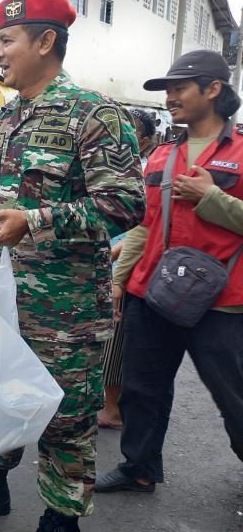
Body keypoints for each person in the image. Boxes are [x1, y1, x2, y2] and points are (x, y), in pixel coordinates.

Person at [0, 0, 145, 532]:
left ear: (46, 42)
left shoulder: (93, 115)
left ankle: (61, 516)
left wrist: (37, 220)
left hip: (66, 307)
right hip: (3, 294)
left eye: (6, 41)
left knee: (65, 416)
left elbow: (125, 203)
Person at [96, 50, 243, 494]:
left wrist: (210, 197)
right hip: (151, 292)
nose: (170, 99)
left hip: (222, 301)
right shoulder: (160, 155)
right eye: (168, 91)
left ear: (213, 89)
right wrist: (121, 279)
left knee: (233, 394)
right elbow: (143, 223)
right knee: (142, 389)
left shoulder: (240, 151)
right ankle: (139, 467)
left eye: (179, 88)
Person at [97, 108, 157, 430]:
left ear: (143, 141)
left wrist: (116, 262)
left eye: (126, 131)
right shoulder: (116, 168)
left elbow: (143, 230)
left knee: (115, 341)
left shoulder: (146, 172)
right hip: (114, 261)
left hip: (128, 267)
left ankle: (112, 408)